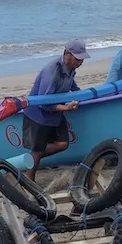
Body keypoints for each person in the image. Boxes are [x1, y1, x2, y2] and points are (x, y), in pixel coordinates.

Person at [22, 39, 89, 183]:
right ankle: (29, 178)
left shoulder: (71, 69)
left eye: (82, 59)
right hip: (38, 115)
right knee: (37, 150)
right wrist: (66, 108)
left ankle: (33, 156)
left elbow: (73, 87)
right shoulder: (52, 72)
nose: (80, 62)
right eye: (78, 59)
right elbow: (43, 103)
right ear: (67, 55)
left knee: (62, 144)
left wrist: (86, 96)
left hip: (55, 114)